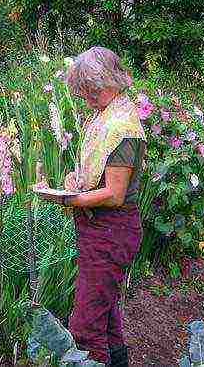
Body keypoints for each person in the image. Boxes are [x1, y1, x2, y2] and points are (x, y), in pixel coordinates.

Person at [41, 46, 146, 366]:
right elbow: (95, 177)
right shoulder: (104, 117)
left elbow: (114, 194)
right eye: (85, 94)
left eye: (92, 92)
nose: (88, 100)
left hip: (112, 231)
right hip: (97, 229)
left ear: (111, 82)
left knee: (85, 326)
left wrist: (66, 199)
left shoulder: (123, 128)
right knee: (107, 313)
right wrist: (75, 180)